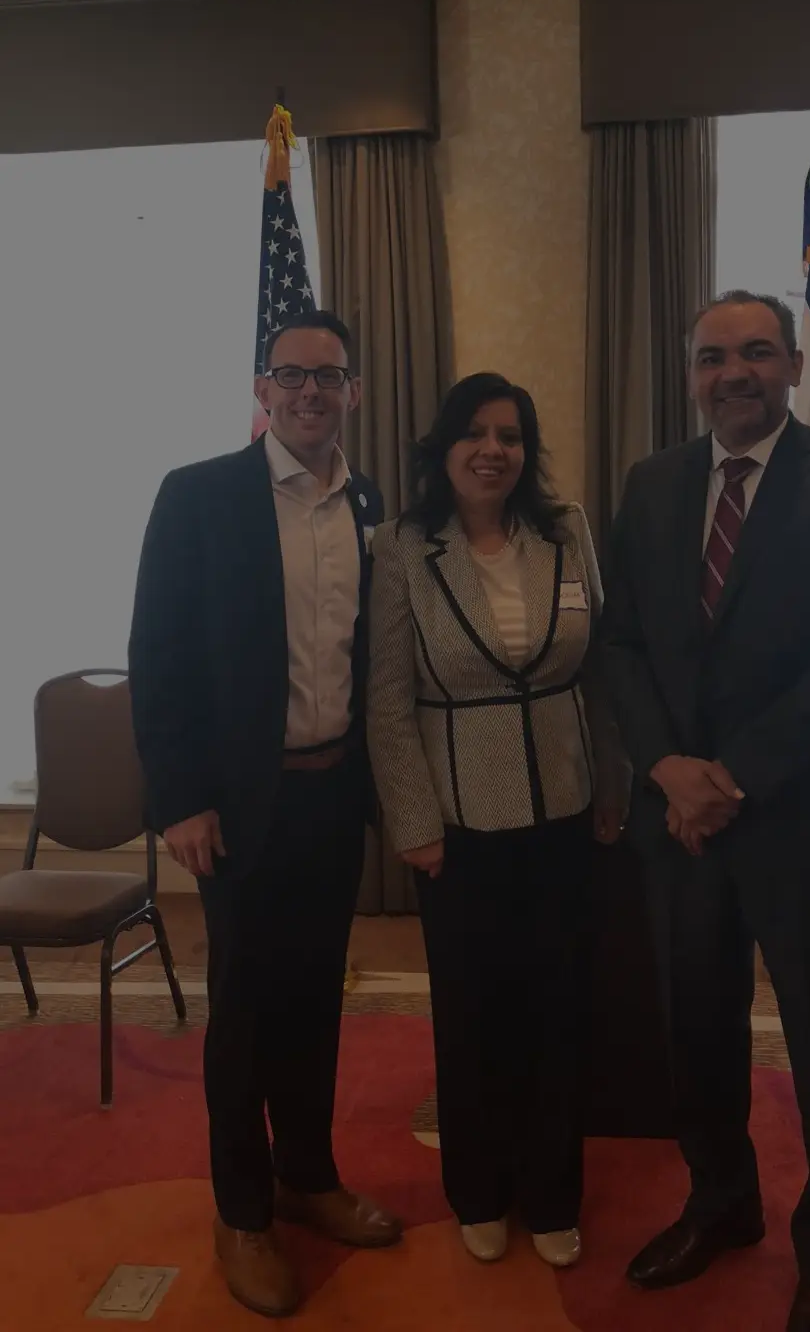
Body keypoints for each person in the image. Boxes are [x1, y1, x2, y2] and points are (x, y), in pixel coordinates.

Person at [599, 290, 810, 1332]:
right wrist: (665, 767)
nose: (734, 372)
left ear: (791, 367)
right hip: (679, 825)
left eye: (758, 353)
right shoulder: (650, 485)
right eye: (713, 356)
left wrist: (726, 777)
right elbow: (623, 644)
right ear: (692, 373)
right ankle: (721, 1202)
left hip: (801, 819)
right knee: (695, 1030)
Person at [128, 310, 401, 1319]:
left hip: (332, 795)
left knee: (314, 1000)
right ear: (262, 388)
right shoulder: (199, 495)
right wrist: (182, 799)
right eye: (290, 375)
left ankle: (307, 1177)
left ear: (353, 392)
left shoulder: (367, 501)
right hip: (240, 805)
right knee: (244, 1012)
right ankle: (241, 1210)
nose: (309, 392)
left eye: (328, 376)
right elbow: (157, 656)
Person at [366, 372, 624, 1272]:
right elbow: (387, 700)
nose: (492, 450)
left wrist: (613, 785)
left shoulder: (567, 531)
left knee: (558, 1009)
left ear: (527, 451)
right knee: (473, 1012)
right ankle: (477, 1189)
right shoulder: (402, 546)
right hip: (458, 820)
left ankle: (552, 1195)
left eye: (510, 436)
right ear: (443, 448)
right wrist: (414, 821)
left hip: (564, 806)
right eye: (474, 433)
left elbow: (600, 671)